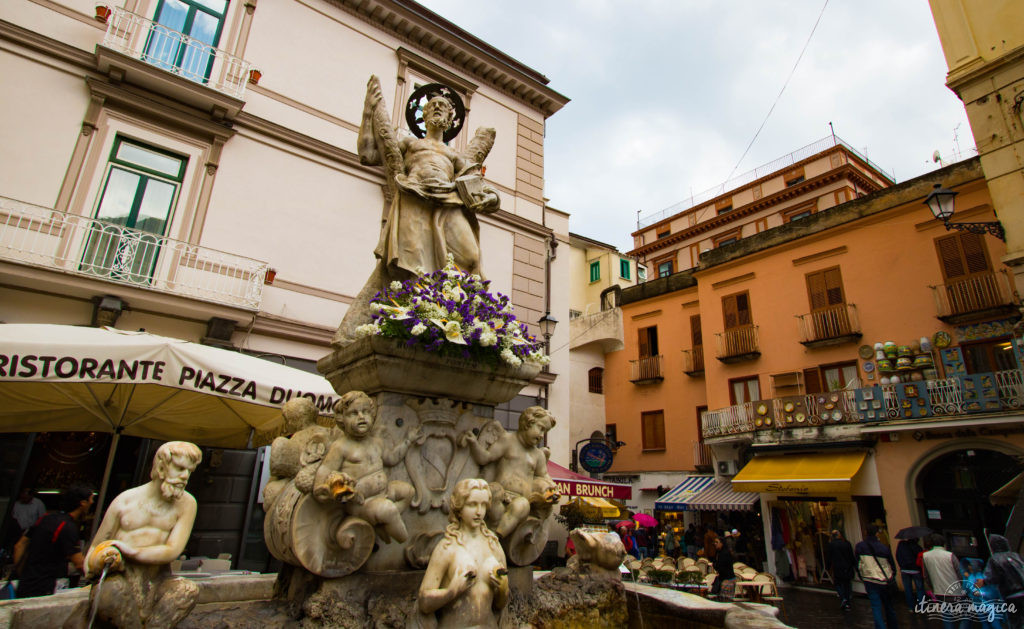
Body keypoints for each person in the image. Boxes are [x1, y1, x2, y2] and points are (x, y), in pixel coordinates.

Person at [334, 76, 501, 347]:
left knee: (470, 257)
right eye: (432, 105)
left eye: (444, 107)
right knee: (414, 268)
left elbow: (480, 189)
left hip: (448, 203)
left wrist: (492, 200)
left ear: (451, 120)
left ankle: (466, 319)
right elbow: (367, 154)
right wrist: (368, 112)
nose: (437, 108)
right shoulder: (409, 144)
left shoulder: (455, 157)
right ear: (423, 114)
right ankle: (418, 320)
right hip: (414, 200)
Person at [69, 442, 202, 628]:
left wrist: (130, 551)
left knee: (187, 590)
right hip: (119, 578)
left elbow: (173, 550)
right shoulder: (126, 500)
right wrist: (102, 558)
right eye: (180, 468)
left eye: (189, 471)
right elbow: (94, 548)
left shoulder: (187, 504)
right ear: (162, 466)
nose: (185, 476)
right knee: (113, 590)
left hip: (157, 581)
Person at [314, 391, 423, 544]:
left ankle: (382, 523)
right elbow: (324, 472)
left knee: (408, 492)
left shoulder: (376, 442)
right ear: (342, 419)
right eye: (353, 413)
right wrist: (328, 488)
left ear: (373, 416)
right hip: (362, 503)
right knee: (388, 509)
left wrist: (408, 440)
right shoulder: (341, 447)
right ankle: (403, 538)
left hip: (385, 491)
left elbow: (391, 458)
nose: (361, 417)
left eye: (365, 412)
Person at [414, 478, 509, 628]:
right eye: (472, 505)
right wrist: (452, 591)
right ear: (459, 507)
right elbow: (424, 602)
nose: (479, 512)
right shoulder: (447, 547)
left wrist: (503, 588)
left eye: (483, 505)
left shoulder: (493, 545)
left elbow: (499, 605)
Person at [461, 407, 559, 538]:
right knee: (493, 491)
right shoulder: (507, 440)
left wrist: (553, 488)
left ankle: (495, 537)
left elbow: (544, 476)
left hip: (520, 500)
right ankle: (491, 529)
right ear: (527, 423)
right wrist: (473, 443)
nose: (542, 435)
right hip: (499, 495)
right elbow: (485, 458)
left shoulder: (538, 455)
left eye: (545, 431)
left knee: (523, 506)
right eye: (541, 428)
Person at [13, 484, 92, 598]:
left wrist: (22, 574)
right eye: (90, 500)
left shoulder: (44, 518)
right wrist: (96, 579)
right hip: (43, 588)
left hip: (25, 584)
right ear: (82, 503)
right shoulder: (68, 527)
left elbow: (19, 546)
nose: (92, 502)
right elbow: (79, 564)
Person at [855, 523, 901, 629]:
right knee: (889, 606)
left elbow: (857, 563)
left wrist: (862, 576)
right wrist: (892, 575)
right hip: (885, 580)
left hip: (869, 579)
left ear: (866, 532)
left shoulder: (860, 546)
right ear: (877, 533)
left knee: (876, 607)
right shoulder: (883, 548)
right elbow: (892, 565)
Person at [921, 533, 969, 629]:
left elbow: (926, 576)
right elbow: (960, 573)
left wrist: (933, 588)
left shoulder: (925, 556)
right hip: (956, 591)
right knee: (966, 615)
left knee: (947, 617)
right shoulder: (950, 555)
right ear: (943, 543)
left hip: (940, 592)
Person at [984, 534, 1024, 629]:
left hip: (1010, 595)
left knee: (1015, 622)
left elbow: (990, 578)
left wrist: (984, 582)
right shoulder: (1016, 556)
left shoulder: (994, 559)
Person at [963, 557, 1004, 629]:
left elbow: (991, 590)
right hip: (979, 604)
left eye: (971, 565)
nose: (969, 567)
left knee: (993, 623)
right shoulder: (972, 576)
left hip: (987, 604)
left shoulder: (982, 576)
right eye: (968, 565)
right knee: (987, 623)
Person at [826, 529, 856, 611]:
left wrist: (828, 567)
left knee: (838, 583)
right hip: (847, 567)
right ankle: (847, 601)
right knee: (847, 584)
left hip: (838, 567)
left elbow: (829, 557)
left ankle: (843, 598)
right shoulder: (846, 544)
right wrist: (855, 566)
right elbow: (851, 556)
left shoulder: (831, 545)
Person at [896, 536, 925, 611]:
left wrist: (901, 566)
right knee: (920, 589)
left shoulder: (901, 545)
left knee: (908, 589)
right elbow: (921, 560)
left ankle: (911, 607)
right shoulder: (917, 547)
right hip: (916, 571)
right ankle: (921, 607)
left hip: (904, 570)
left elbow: (897, 556)